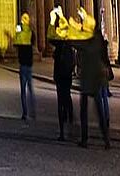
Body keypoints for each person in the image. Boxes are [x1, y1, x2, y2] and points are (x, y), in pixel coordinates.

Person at [77, 23, 110, 149]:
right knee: (99, 112)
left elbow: (75, 43)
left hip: (88, 80)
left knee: (84, 112)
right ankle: (106, 139)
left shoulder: (87, 42)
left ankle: (85, 139)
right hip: (95, 80)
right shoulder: (97, 41)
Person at [47, 10, 74, 142]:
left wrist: (54, 19)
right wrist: (60, 16)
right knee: (66, 97)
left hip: (60, 75)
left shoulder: (60, 43)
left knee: (61, 101)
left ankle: (63, 130)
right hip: (66, 75)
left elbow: (50, 36)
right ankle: (69, 118)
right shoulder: (68, 43)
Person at [16, 12, 36, 121]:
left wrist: (18, 33)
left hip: (22, 64)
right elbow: (33, 43)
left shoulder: (20, 32)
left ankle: (25, 113)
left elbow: (16, 43)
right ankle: (33, 112)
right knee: (31, 89)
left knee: (23, 90)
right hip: (29, 64)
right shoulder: (31, 33)